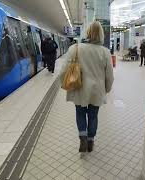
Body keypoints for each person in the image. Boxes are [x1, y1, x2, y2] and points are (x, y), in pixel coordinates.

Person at [59, 21, 114, 153]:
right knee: (93, 116)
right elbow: (110, 76)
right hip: (97, 90)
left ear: (87, 32)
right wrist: (106, 89)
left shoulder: (75, 48)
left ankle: (82, 138)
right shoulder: (105, 52)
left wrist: (65, 84)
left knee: (80, 113)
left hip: (79, 88)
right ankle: (90, 141)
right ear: (101, 34)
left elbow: (63, 71)